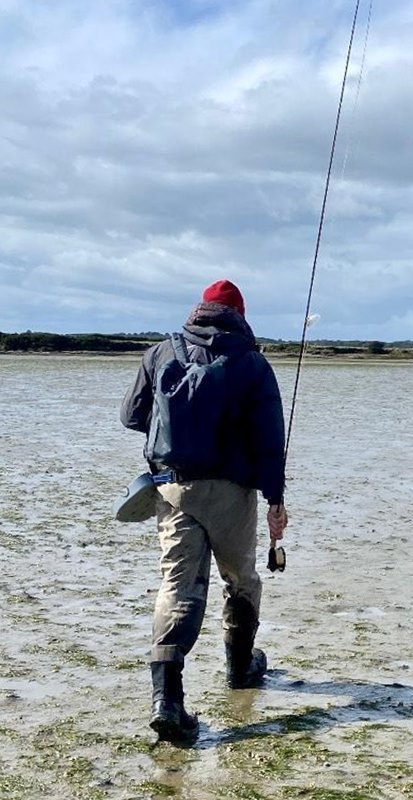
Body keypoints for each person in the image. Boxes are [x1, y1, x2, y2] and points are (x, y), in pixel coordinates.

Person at [120, 279, 288, 742]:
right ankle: (240, 669)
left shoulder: (159, 353)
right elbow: (271, 441)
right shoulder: (253, 364)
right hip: (234, 493)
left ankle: (166, 701)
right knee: (242, 580)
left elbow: (132, 416)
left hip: (173, 489)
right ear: (240, 315)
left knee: (178, 586)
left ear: (200, 310)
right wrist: (276, 500)